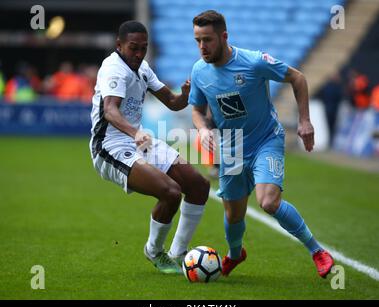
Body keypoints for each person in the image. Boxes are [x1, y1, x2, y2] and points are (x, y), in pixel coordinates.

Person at [189, 10, 334, 278]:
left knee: (268, 202)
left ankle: (317, 251)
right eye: (197, 40)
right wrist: (202, 130)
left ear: (224, 37)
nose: (202, 47)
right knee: (233, 215)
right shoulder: (199, 71)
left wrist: (304, 121)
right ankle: (235, 255)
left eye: (207, 40)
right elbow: (197, 110)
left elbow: (297, 77)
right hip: (231, 147)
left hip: (265, 139)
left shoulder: (254, 62)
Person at [89, 21, 210, 274]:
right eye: (133, 48)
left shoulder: (142, 68)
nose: (139, 54)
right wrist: (135, 132)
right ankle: (154, 251)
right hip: (109, 146)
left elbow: (173, 103)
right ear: (119, 45)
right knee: (171, 192)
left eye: (143, 48)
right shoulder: (114, 69)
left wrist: (186, 94)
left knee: (199, 186)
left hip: (138, 140)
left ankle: (178, 253)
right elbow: (110, 112)